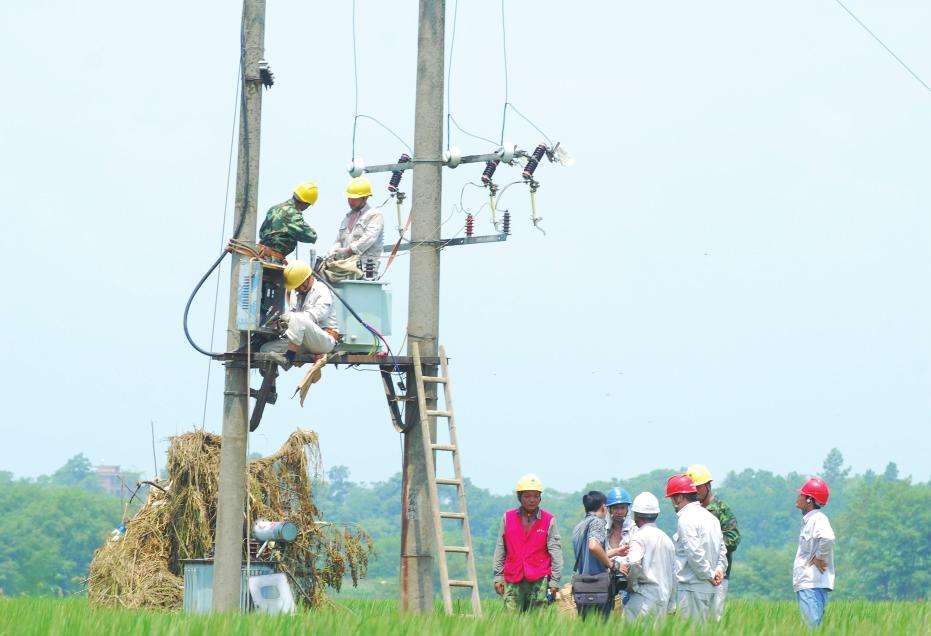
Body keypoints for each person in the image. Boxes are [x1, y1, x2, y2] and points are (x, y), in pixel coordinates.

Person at [492, 474, 563, 612]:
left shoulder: (549, 520)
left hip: (539, 579)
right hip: (513, 577)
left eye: (536, 496)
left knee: (538, 622)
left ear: (540, 497)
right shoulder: (508, 517)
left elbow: (556, 553)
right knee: (511, 621)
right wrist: (498, 577)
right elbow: (501, 548)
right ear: (520, 497)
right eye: (527, 496)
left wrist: (554, 581)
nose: (532, 500)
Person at [665, 474, 727, 622]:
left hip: (691, 588)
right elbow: (722, 549)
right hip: (712, 587)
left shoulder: (686, 519)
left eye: (673, 498)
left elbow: (694, 553)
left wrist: (710, 574)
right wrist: (719, 570)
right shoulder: (711, 518)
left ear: (679, 498)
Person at [260, 258, 340, 368]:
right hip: (303, 341)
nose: (296, 289)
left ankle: (288, 359)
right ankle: (269, 380)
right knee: (266, 349)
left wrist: (289, 317)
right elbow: (295, 321)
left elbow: (318, 314)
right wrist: (282, 324)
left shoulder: (322, 290)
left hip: (324, 340)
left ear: (307, 279)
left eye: (298, 286)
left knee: (298, 318)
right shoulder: (297, 294)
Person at [687, 464, 740, 620]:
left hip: (718, 575)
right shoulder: (689, 511)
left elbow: (733, 538)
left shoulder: (721, 509)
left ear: (707, 486)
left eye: (698, 488)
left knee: (714, 619)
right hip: (694, 575)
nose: (694, 492)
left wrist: (707, 542)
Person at [622, 492, 676, 620]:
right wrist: (672, 603)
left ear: (636, 515)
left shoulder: (638, 537)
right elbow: (674, 574)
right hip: (662, 599)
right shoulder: (667, 539)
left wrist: (632, 586)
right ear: (656, 515)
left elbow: (634, 563)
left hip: (642, 598)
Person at [794, 477, 835, 628]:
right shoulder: (810, 520)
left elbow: (828, 538)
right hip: (810, 584)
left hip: (811, 584)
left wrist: (819, 558)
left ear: (810, 500)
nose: (798, 497)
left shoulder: (818, 519)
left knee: (810, 628)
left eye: (802, 495)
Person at [571, 490, 617, 620]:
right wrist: (611, 564)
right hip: (598, 585)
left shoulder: (579, 526)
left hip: (582, 586)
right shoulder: (597, 522)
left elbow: (590, 553)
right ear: (603, 506)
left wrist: (616, 551)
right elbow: (593, 546)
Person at [327, 176, 384, 278]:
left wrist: (348, 250)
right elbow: (339, 240)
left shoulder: (374, 215)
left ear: (365, 198)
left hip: (365, 271)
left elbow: (368, 239)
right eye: (349, 198)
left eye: (354, 198)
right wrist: (333, 251)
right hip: (345, 269)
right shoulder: (347, 218)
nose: (350, 201)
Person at [257, 182, 319, 262]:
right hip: (272, 259)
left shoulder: (274, 208)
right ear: (306, 204)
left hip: (260, 254)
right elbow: (311, 236)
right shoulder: (293, 213)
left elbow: (262, 233)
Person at [604, 486, 634, 610]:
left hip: (629, 584)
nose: (619, 511)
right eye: (616, 508)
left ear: (627, 509)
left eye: (622, 508)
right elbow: (598, 554)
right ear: (610, 509)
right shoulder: (603, 530)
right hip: (607, 582)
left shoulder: (634, 528)